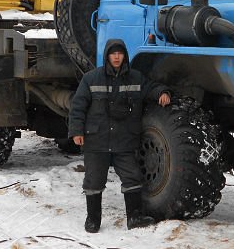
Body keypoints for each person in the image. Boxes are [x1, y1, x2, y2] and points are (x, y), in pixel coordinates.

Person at [68, 39, 171, 233]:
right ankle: (93, 219)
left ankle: (134, 217)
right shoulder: (91, 79)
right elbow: (78, 106)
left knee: (133, 178)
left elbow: (150, 87)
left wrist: (162, 93)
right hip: (97, 140)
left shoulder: (136, 78)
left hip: (125, 140)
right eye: (113, 53)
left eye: (120, 53)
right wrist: (76, 131)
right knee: (94, 181)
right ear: (107, 55)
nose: (116, 57)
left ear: (124, 56)